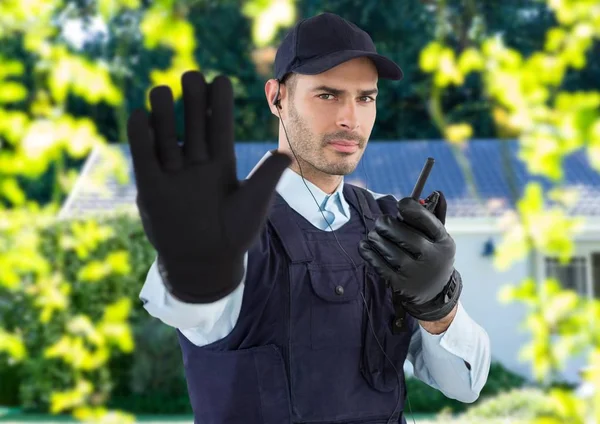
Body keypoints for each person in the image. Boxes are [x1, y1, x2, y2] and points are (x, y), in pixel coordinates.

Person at [127, 12, 491, 424]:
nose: (350, 119)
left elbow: (465, 385)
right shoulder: (228, 226)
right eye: (327, 95)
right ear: (276, 97)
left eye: (365, 98)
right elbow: (183, 306)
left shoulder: (391, 225)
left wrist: (437, 303)